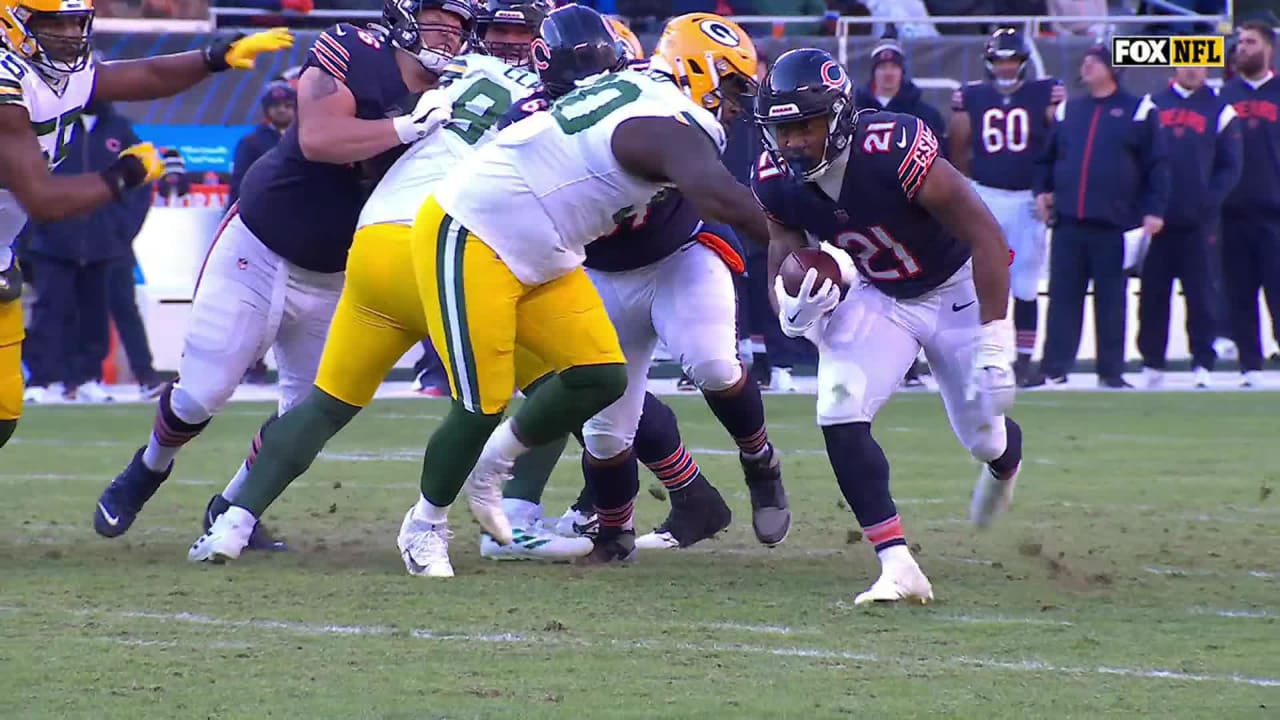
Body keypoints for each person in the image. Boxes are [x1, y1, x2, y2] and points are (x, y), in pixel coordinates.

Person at [400, 4, 773, 573]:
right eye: (731, 87)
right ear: (698, 71)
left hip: (554, 251)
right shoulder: (665, 113)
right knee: (482, 402)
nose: (736, 105)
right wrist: (800, 244)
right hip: (477, 234)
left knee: (601, 376)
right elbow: (712, 190)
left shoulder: (637, 91)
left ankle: (507, 484)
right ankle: (426, 524)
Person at [188, 0, 554, 568]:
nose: (460, 36)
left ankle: (230, 523)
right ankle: (500, 520)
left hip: (373, 246)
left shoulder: (440, 75)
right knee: (560, 379)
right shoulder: (546, 101)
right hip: (452, 250)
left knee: (325, 403)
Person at [93, 0, 464, 541]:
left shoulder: (464, 90)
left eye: (460, 28)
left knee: (307, 416)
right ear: (405, 16)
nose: (450, 37)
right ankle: (148, 467)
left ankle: (235, 505)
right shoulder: (355, 50)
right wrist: (406, 128)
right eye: (439, 21)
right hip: (262, 244)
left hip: (340, 274)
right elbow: (319, 140)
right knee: (201, 393)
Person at [753, 48, 1022, 605]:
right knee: (838, 406)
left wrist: (997, 344)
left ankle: (1004, 462)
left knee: (983, 436)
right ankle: (896, 563)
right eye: (782, 130)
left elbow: (988, 238)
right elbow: (783, 246)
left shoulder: (893, 147)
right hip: (882, 293)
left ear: (840, 116)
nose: (793, 142)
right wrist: (790, 306)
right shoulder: (775, 175)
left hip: (957, 290)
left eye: (805, 126)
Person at [0, 0, 293, 451]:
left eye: (77, 22)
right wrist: (123, 176)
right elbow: (42, 199)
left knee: (3, 415)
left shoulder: (52, 71)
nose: (70, 34)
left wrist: (213, 57)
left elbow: (146, 76)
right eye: (55, 22)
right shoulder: (6, 83)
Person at [1028, 46, 1169, 388]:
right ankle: (1054, 367)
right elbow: (1046, 159)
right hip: (1068, 222)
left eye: (1095, 61)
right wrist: (1042, 192)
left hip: (1114, 225)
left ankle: (1111, 371)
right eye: (1085, 60)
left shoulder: (1139, 110)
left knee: (1111, 302)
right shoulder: (1068, 111)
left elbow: (1158, 166)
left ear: (1113, 69)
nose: (1086, 65)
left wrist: (1154, 210)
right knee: (1062, 299)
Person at [948, 27, 1065, 386]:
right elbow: (958, 146)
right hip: (988, 195)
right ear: (989, 62)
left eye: (1012, 59)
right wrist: (969, 188)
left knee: (1026, 283)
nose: (1006, 67)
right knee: (977, 278)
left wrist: (1050, 189)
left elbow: (1060, 142)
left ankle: (1025, 361)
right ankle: (979, 355)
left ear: (1024, 62)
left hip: (1028, 197)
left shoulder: (1047, 93)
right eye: (1000, 60)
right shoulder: (971, 97)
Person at [22, 96, 153, 404]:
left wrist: (120, 229)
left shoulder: (121, 130)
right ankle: (41, 379)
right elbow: (26, 178)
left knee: (94, 313)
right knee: (49, 311)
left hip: (103, 241)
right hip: (53, 240)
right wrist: (38, 227)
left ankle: (87, 378)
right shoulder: (53, 125)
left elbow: (141, 180)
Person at [1140, 65, 1241, 389]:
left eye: (1199, 64)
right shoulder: (1152, 105)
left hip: (1199, 223)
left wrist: (1208, 201)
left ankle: (1202, 363)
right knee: (1153, 296)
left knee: (1201, 296)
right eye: (1187, 62)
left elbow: (1230, 166)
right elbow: (1137, 159)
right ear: (1174, 67)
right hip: (1157, 221)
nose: (1193, 70)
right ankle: (1152, 363)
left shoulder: (1220, 109)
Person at [1219, 20, 1280, 387]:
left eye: (1249, 41)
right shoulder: (1225, 96)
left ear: (1267, 48)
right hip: (1232, 213)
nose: (1241, 47)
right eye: (1239, 41)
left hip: (1275, 213)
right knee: (1239, 294)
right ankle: (1250, 367)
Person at [228, 80, 296, 207]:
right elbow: (239, 184)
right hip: (262, 209)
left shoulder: (305, 140)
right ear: (266, 110)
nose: (282, 110)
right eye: (275, 106)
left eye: (287, 105)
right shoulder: (250, 143)